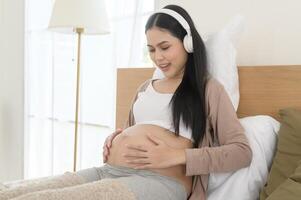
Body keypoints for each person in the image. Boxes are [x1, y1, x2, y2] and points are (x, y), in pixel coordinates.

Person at [0, 5, 252, 200]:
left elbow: (242, 152)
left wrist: (177, 155)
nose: (158, 57)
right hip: (109, 171)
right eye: (152, 49)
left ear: (187, 43)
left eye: (165, 47)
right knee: (10, 192)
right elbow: (129, 132)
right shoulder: (144, 88)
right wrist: (114, 140)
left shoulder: (208, 90)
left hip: (162, 181)